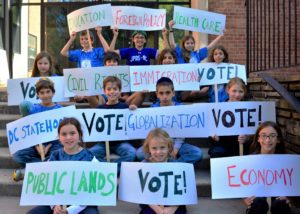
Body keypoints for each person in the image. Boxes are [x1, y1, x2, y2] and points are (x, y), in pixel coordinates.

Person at [27, 117, 99, 214]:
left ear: (80, 134)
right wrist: (54, 206)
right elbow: (47, 186)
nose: (68, 137)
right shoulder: (54, 157)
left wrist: (70, 210)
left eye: (72, 133)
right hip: (57, 203)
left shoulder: (91, 159)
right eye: (64, 134)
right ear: (59, 137)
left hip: (81, 205)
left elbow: (92, 193)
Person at [136, 77, 203, 164]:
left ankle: (173, 166)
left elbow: (182, 132)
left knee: (197, 153)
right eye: (161, 93)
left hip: (176, 142)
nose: (164, 96)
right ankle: (168, 162)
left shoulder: (181, 108)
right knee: (140, 153)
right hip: (157, 144)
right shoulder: (152, 110)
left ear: (173, 93)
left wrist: (176, 148)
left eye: (167, 93)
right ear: (157, 94)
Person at [12, 78, 62, 181]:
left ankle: (30, 171)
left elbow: (61, 133)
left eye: (48, 92)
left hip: (54, 144)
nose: (45, 95)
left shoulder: (60, 109)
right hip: (36, 144)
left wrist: (48, 145)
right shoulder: (34, 109)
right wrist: (37, 146)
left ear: (53, 93)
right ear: (38, 95)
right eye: (42, 93)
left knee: (59, 154)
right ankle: (45, 167)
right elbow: (32, 131)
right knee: (18, 155)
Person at [88, 76, 137, 173]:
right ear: (104, 91)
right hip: (103, 142)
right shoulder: (100, 109)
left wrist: (133, 109)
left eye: (115, 89)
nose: (112, 92)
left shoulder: (125, 107)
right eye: (109, 89)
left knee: (131, 153)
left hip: (120, 143)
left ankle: (112, 170)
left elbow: (131, 123)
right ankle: (107, 169)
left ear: (120, 91)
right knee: (90, 154)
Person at [110, 28, 168, 106]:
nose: (139, 39)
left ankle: (126, 104)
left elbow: (166, 52)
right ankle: (126, 102)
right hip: (130, 81)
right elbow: (110, 52)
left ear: (145, 40)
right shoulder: (129, 51)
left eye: (142, 37)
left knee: (142, 93)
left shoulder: (148, 51)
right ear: (133, 39)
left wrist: (164, 35)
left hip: (144, 81)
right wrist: (115, 36)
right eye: (137, 37)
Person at [243, 121, 292, 214]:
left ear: (278, 140)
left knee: (281, 204)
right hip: (258, 199)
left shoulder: (288, 162)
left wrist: (290, 198)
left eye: (272, 136)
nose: (268, 140)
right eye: (263, 135)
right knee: (258, 203)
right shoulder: (249, 161)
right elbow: (243, 186)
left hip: (278, 199)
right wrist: (246, 198)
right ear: (258, 138)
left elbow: (293, 186)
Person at [139, 128, 187, 214]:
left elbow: (183, 192)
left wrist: (172, 209)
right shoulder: (144, 166)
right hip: (151, 204)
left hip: (173, 204)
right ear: (149, 149)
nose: (158, 152)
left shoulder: (177, 166)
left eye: (162, 147)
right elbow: (142, 193)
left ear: (169, 147)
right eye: (154, 148)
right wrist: (159, 210)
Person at [209, 77, 251, 157]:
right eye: (234, 91)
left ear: (244, 92)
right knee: (217, 151)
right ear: (227, 90)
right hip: (223, 145)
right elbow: (212, 130)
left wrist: (246, 137)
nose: (237, 95)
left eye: (240, 92)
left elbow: (253, 130)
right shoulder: (219, 108)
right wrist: (215, 137)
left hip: (240, 145)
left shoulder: (248, 108)